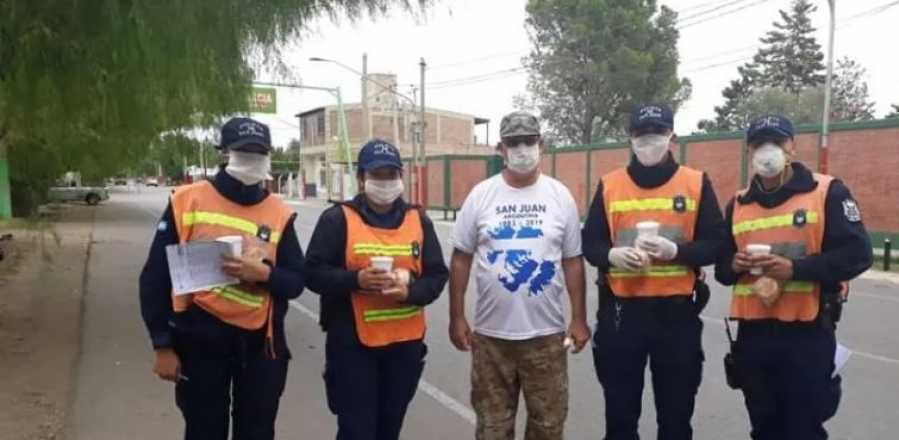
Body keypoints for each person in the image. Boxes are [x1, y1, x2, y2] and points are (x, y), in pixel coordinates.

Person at [139, 117, 305, 440]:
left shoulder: (279, 213)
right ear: (225, 153)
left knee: (257, 432)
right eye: (244, 153)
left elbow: (297, 281)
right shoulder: (187, 201)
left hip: (260, 348)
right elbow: (154, 279)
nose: (252, 160)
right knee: (204, 431)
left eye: (259, 153)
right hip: (199, 340)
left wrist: (266, 274)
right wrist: (163, 345)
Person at [714, 115, 873, 440]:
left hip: (807, 334)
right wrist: (735, 263)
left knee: (803, 429)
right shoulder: (738, 204)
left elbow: (858, 255)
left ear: (792, 148)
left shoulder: (827, 192)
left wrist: (796, 270)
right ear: (749, 152)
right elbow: (721, 271)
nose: (767, 151)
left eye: (777, 142)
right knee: (763, 428)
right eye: (759, 144)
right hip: (754, 336)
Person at [581, 103, 727, 440]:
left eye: (657, 134)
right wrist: (612, 255)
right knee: (620, 416)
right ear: (630, 139)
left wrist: (678, 252)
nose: (649, 142)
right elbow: (590, 244)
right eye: (641, 135)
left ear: (671, 136)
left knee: (675, 418)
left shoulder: (695, 183)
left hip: (676, 316)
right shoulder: (610, 185)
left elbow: (717, 243)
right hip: (621, 314)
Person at [448, 111, 590, 440]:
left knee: (548, 427)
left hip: (546, 338)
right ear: (501, 148)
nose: (523, 149)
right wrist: (457, 317)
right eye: (514, 142)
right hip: (491, 340)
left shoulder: (559, 196)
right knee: (492, 429)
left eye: (529, 141)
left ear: (542, 145)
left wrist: (579, 319)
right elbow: (460, 259)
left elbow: (572, 260)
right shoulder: (481, 196)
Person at [305, 139, 449, 440]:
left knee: (389, 429)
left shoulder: (418, 219)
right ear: (361, 178)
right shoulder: (337, 219)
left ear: (400, 177)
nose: (385, 182)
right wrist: (356, 280)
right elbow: (312, 274)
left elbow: (436, 276)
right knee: (356, 431)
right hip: (352, 347)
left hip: (404, 347)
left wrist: (410, 293)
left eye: (391, 174)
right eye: (377, 175)